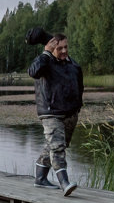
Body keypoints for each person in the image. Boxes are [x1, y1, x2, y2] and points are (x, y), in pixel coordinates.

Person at [26, 30, 83, 194]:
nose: (64, 51)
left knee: (54, 146)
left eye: (66, 47)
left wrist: (78, 105)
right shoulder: (44, 62)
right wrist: (45, 53)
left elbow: (80, 86)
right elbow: (33, 71)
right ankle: (64, 183)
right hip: (50, 113)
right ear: (51, 48)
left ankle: (40, 179)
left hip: (70, 113)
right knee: (57, 148)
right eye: (60, 48)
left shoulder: (74, 65)